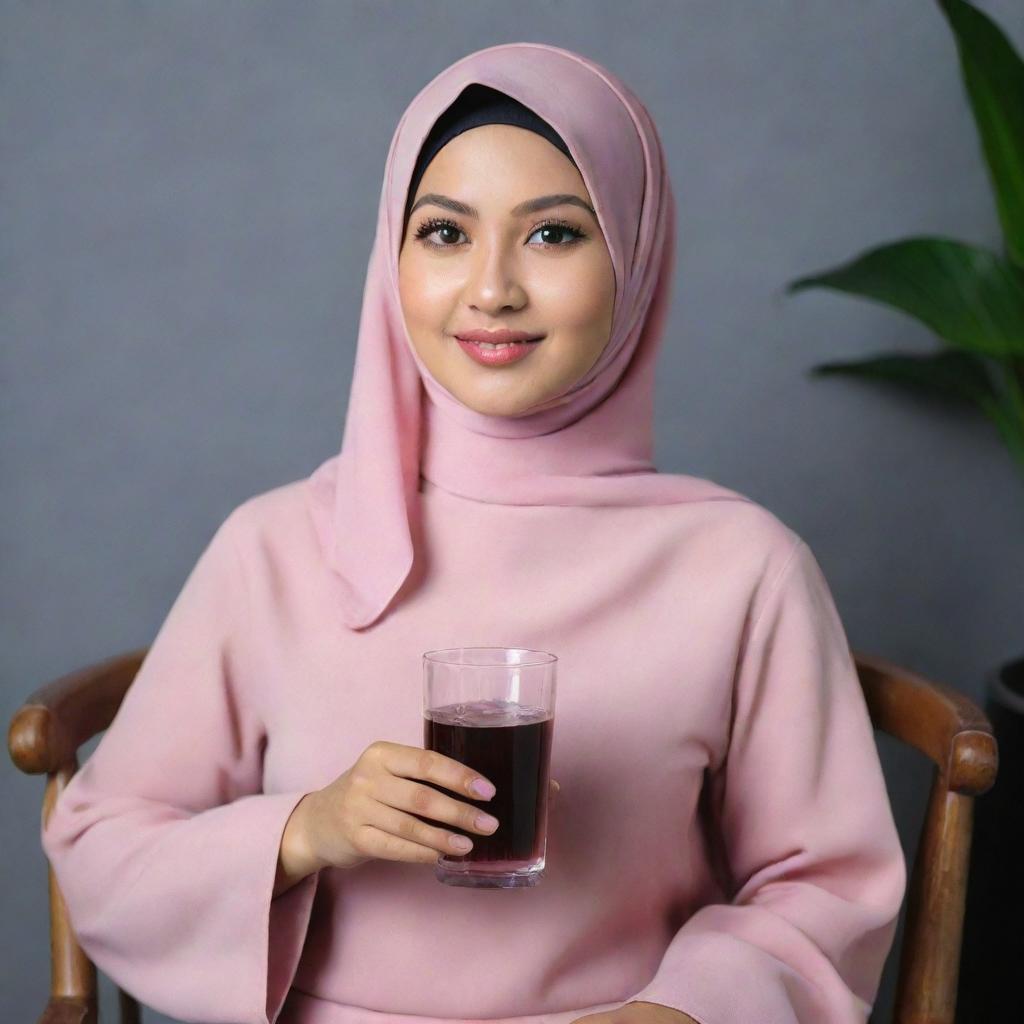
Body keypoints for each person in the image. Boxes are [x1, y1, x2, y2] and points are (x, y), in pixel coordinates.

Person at [40, 42, 906, 1024]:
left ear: (635, 253)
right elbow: (100, 845)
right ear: (390, 258)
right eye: (445, 233)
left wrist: (684, 1011)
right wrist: (303, 828)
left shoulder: (743, 567)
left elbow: (826, 886)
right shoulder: (273, 547)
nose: (491, 289)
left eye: (553, 237)